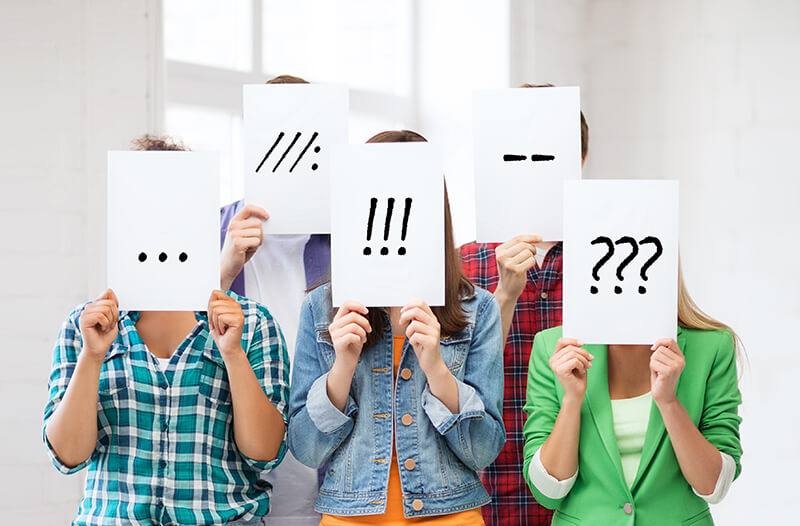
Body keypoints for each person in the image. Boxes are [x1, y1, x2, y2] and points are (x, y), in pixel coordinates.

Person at [42, 135, 290, 525]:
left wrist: (233, 354)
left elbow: (264, 451)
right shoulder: (83, 326)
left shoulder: (252, 323)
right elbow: (68, 457)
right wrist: (92, 357)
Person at [287, 130, 505, 524]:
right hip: (349, 517)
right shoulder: (320, 309)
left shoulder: (478, 308)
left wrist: (437, 369)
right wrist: (342, 368)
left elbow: (485, 450)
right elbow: (305, 448)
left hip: (451, 514)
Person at [459, 83, 589, 526]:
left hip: (587, 498)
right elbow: (445, 387)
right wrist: (503, 295)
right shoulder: (459, 267)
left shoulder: (607, 262)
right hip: (484, 497)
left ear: (578, 162)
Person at [522, 269, 743, 525]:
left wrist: (669, 402)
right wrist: (571, 400)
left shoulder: (712, 346)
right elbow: (548, 492)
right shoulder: (553, 347)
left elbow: (713, 486)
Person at [220, 74, 330, 525]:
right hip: (234, 487)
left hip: (332, 485)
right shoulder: (213, 230)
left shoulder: (349, 241)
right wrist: (223, 269)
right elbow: (169, 345)